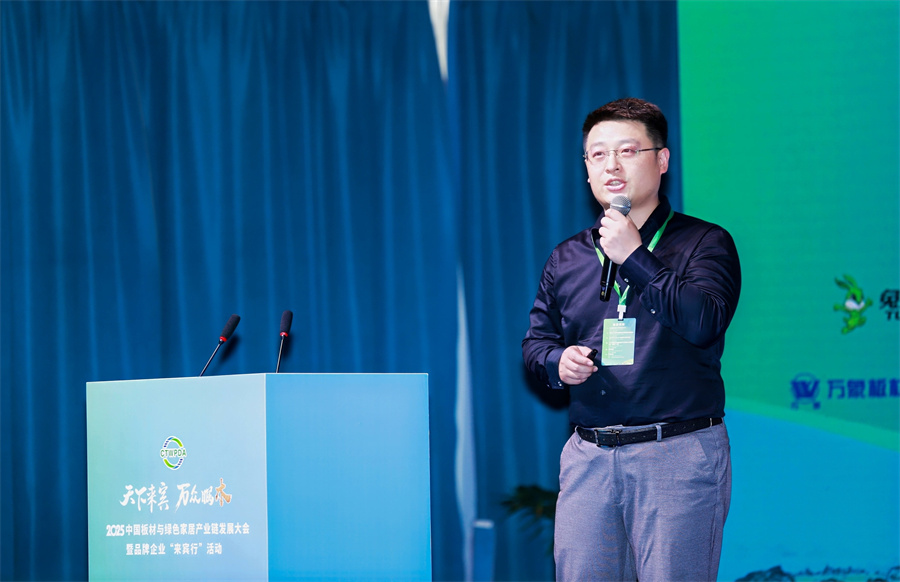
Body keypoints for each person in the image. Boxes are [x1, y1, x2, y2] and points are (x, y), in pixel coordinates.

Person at [522, 97, 741, 581]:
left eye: (627, 151)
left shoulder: (705, 243)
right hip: (589, 456)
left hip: (677, 453)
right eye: (597, 154)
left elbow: (704, 322)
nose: (611, 165)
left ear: (661, 160)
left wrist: (635, 256)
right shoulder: (568, 257)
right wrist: (557, 362)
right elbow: (536, 344)